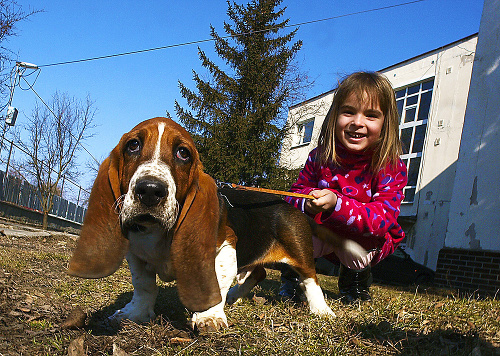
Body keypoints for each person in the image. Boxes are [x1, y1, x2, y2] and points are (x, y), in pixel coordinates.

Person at [280, 71, 407, 304]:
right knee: (296, 229)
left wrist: (337, 204)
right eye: (348, 111)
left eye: (371, 115)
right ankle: (293, 281)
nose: (357, 122)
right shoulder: (320, 157)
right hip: (321, 232)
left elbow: (381, 220)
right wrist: (306, 202)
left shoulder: (389, 166)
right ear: (334, 116)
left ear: (385, 123)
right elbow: (293, 195)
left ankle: (355, 286)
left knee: (360, 244)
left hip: (364, 241)